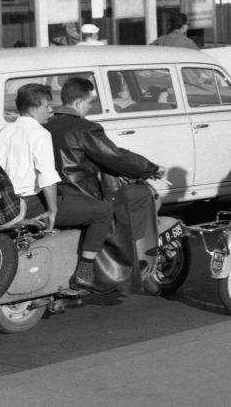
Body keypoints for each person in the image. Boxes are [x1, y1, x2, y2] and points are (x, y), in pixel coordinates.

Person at [46, 77, 164, 293]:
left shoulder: (47, 125)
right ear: (79, 103)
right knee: (142, 194)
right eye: (90, 102)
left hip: (57, 194)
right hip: (85, 193)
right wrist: (150, 168)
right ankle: (131, 254)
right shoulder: (85, 128)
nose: (90, 107)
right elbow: (115, 156)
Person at [0, 84, 116, 292]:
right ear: (33, 110)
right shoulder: (39, 134)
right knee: (103, 212)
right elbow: (47, 177)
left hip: (7, 203)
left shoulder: (4, 132)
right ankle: (84, 274)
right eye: (47, 106)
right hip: (31, 204)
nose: (51, 111)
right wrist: (52, 211)